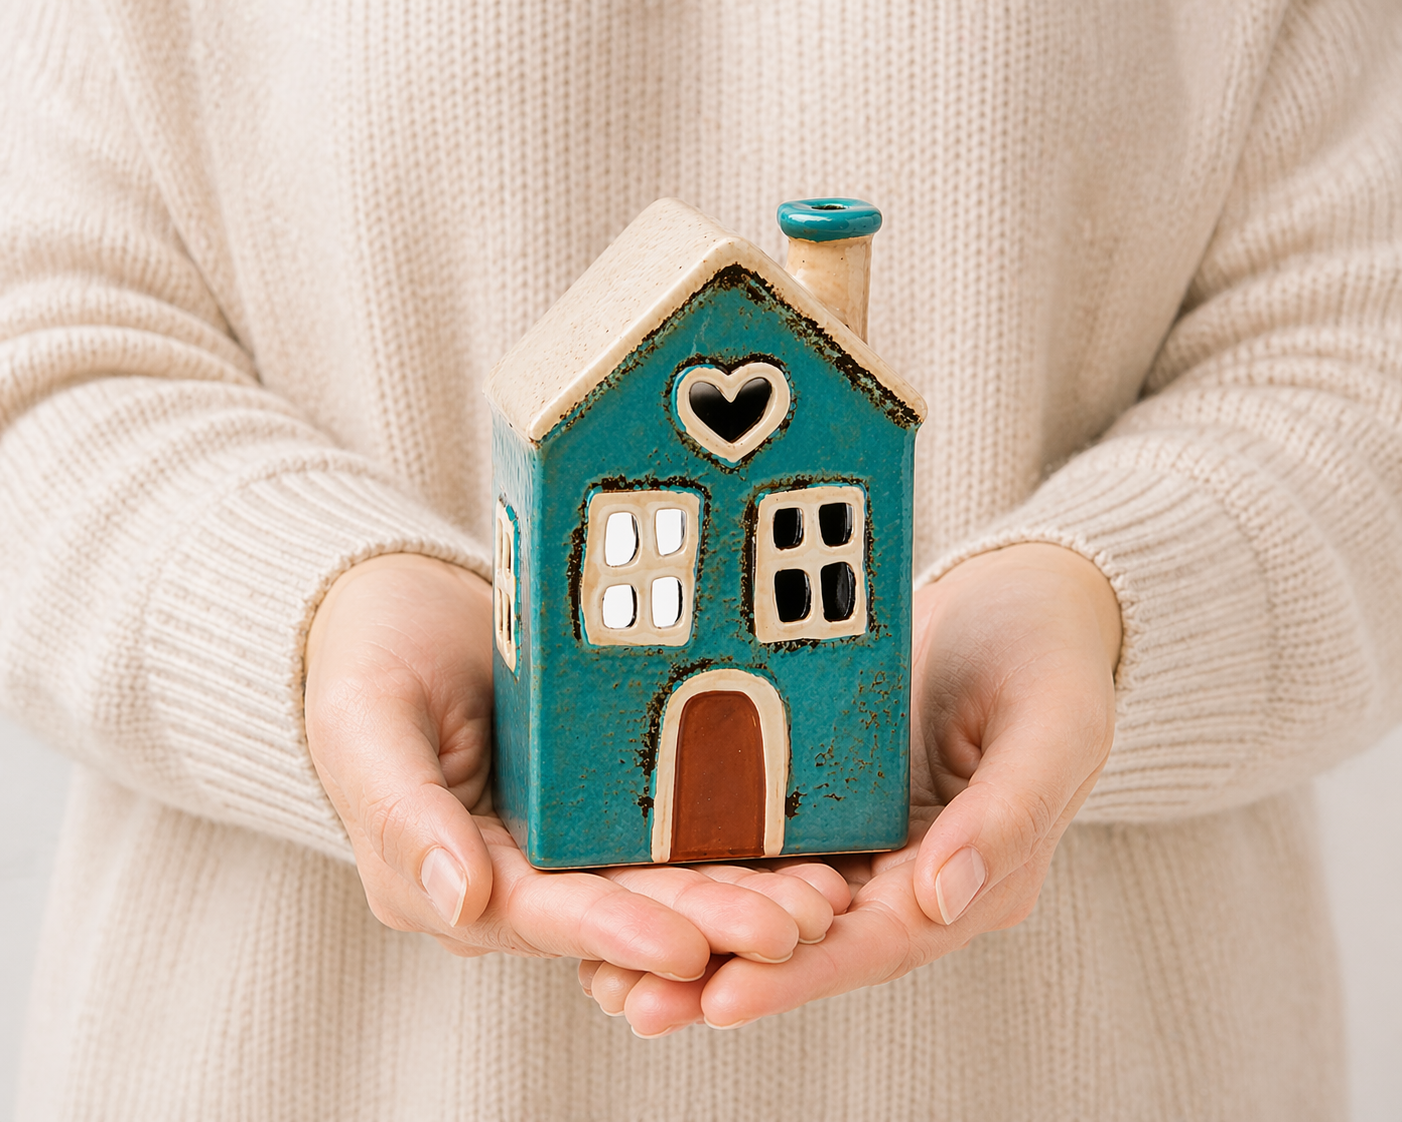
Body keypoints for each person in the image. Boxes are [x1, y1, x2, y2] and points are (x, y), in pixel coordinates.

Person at [3, 0, 1399, 1118]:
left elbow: (1354, 354)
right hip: (282, 1063)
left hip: (1104, 1064)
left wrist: (1101, 599)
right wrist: (315, 614)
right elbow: (44, 352)